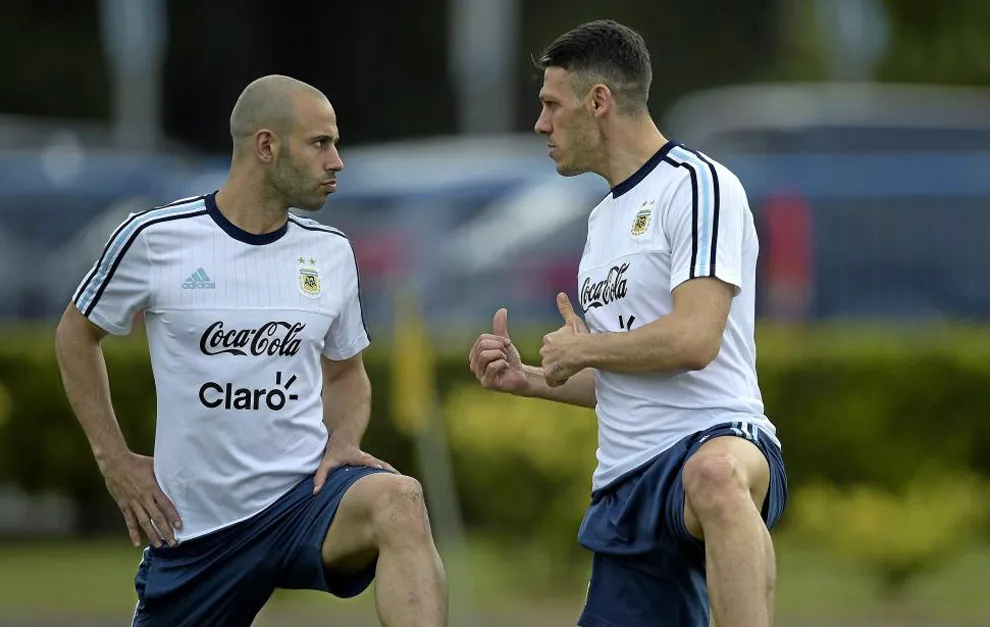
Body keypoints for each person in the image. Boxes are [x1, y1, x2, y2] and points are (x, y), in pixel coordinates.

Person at [55, 75, 448, 627]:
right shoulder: (155, 237)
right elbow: (75, 335)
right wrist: (113, 460)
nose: (336, 161)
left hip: (303, 502)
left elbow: (346, 374)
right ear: (267, 146)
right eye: (320, 143)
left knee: (399, 501)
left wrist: (343, 440)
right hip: (198, 532)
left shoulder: (331, 252)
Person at [468, 20, 787, 627]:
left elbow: (694, 340)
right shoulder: (601, 220)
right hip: (626, 485)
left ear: (598, 101)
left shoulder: (697, 185)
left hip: (713, 439)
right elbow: (624, 373)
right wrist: (529, 377)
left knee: (716, 479)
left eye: (551, 105)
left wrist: (586, 350)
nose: (540, 124)